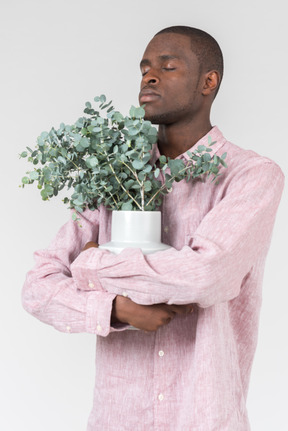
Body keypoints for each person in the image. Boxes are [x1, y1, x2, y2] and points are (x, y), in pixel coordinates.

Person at [22, 26, 284, 430]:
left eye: (168, 66)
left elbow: (205, 276)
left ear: (208, 82)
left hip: (203, 417)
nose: (149, 76)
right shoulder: (110, 175)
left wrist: (91, 266)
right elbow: (37, 287)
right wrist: (114, 309)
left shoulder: (251, 176)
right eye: (144, 67)